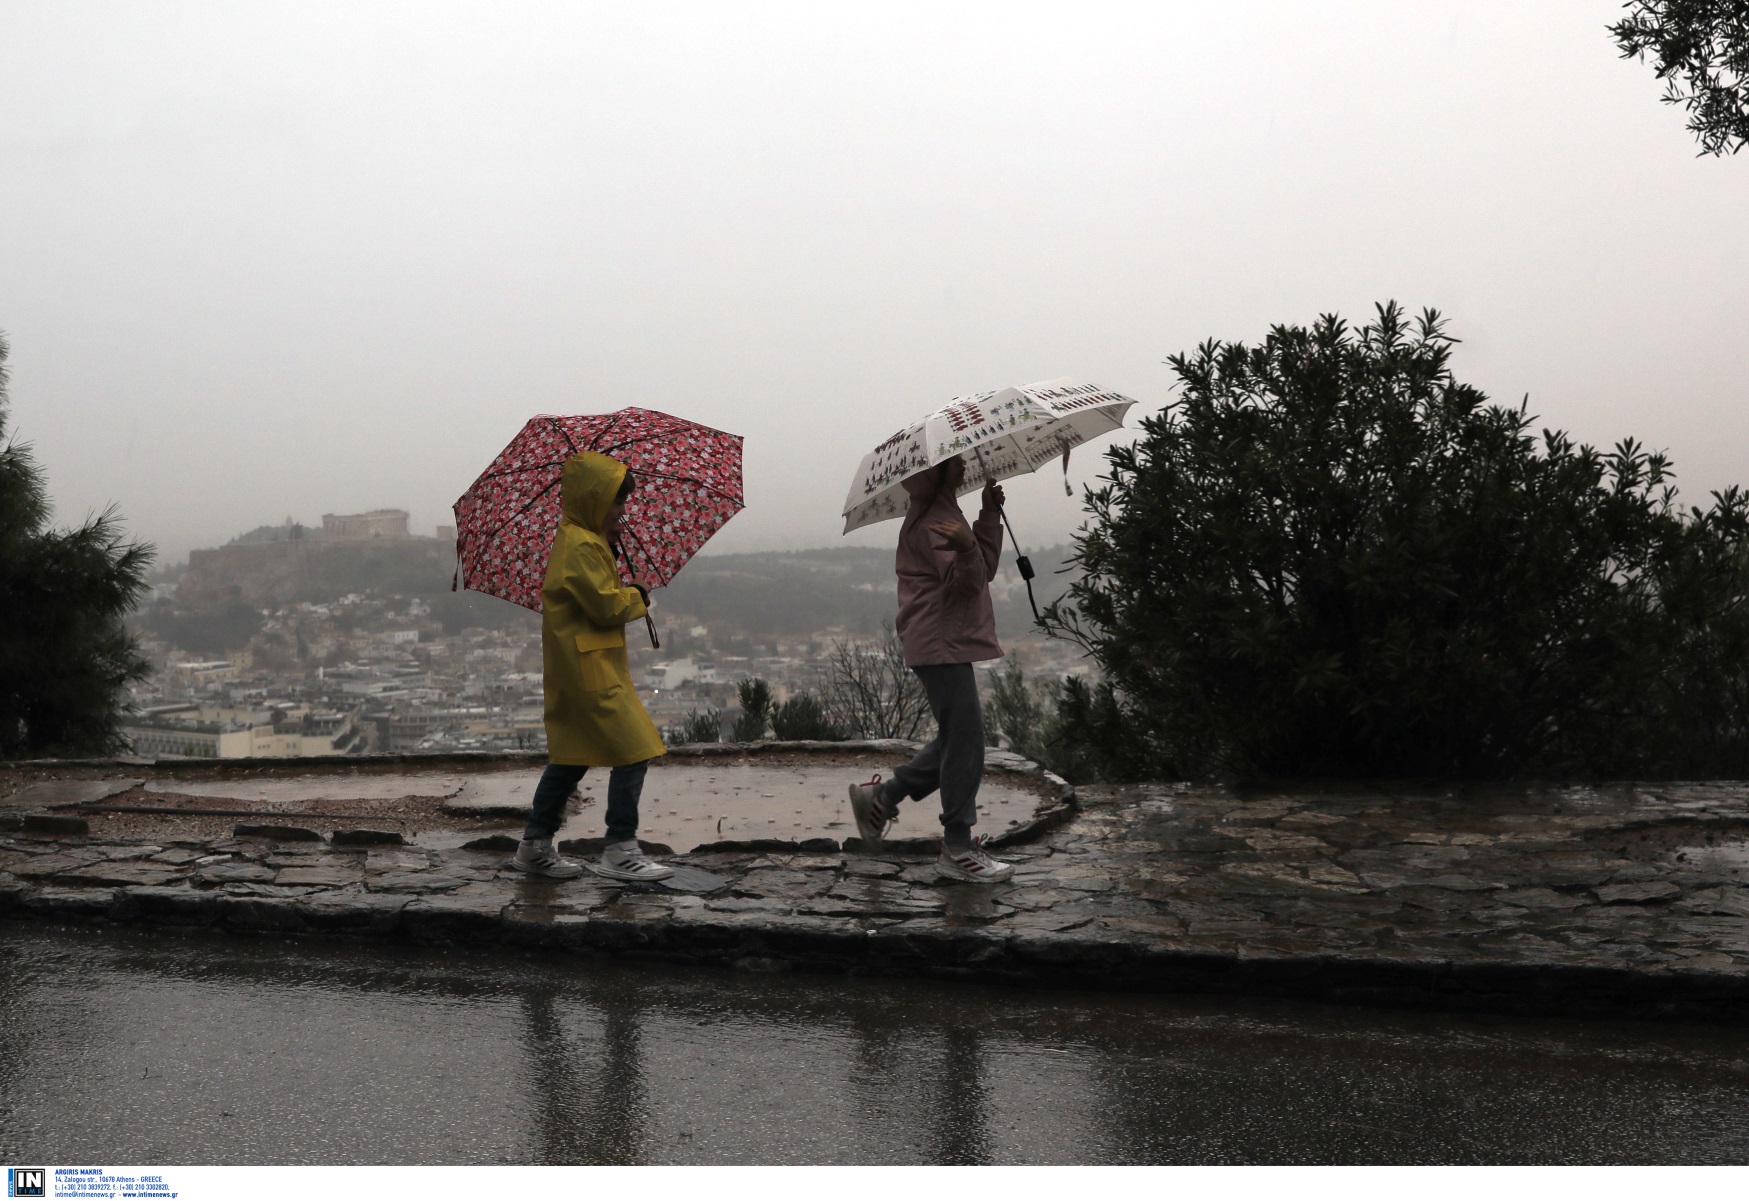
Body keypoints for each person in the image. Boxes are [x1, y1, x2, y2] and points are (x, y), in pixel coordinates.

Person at [847, 456, 1015, 883]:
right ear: (934, 472)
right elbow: (967, 582)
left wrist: (988, 517)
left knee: (958, 735)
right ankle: (957, 847)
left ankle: (883, 796)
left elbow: (983, 570)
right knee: (966, 740)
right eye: (954, 462)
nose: (963, 466)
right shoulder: (932, 521)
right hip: (942, 640)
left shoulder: (941, 511)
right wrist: (965, 546)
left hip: (944, 638)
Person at [511, 451, 672, 882]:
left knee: (571, 757)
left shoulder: (583, 539)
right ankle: (620, 848)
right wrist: (638, 594)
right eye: (618, 502)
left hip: (579, 665)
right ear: (595, 500)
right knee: (636, 748)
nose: (623, 510)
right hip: (589, 671)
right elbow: (603, 606)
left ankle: (534, 845)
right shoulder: (581, 545)